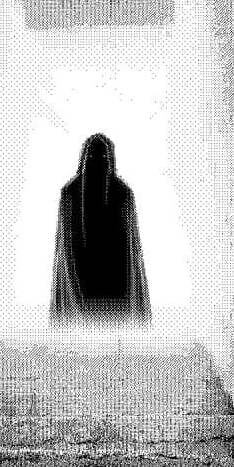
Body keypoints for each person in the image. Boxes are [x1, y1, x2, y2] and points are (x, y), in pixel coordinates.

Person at [50, 133, 152, 327]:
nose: (97, 162)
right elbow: (65, 246)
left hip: (115, 278)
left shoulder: (123, 193)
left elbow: (130, 249)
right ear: (83, 158)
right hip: (79, 273)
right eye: (91, 157)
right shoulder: (70, 193)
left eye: (103, 157)